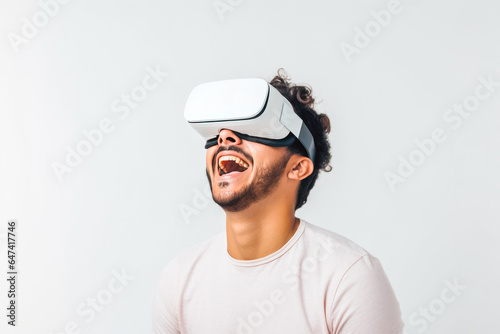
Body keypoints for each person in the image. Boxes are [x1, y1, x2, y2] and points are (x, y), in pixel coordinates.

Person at [152, 69, 404, 333]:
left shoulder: (349, 278)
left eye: (253, 129)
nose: (225, 137)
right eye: (218, 133)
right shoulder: (179, 279)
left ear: (297, 168)